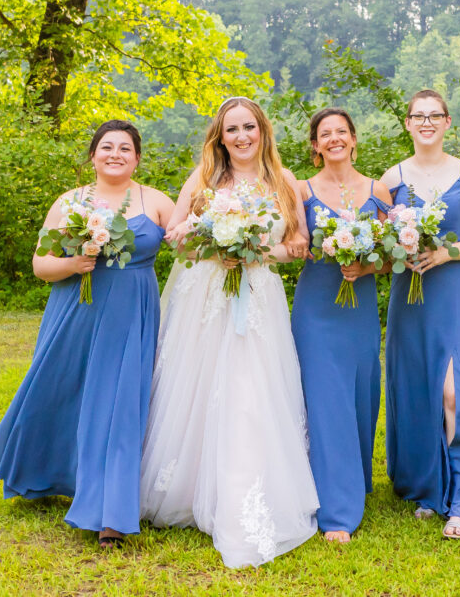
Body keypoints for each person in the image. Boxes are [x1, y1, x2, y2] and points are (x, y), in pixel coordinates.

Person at [0, 120, 175, 548]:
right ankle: (47, 475)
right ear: (93, 155)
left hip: (130, 314)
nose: (115, 154)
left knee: (118, 405)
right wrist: (73, 264)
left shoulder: (157, 202)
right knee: (61, 394)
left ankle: (110, 514)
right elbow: (40, 265)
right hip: (76, 309)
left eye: (125, 148)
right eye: (107, 147)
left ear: (138, 157)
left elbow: (189, 244)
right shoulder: (70, 202)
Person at [139, 96, 318, 568]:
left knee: (250, 390)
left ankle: (243, 492)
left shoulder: (285, 183)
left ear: (263, 131)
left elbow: (299, 244)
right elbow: (173, 235)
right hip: (207, 298)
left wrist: (259, 251)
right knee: (198, 387)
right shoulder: (203, 181)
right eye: (231, 129)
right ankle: (189, 487)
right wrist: (211, 242)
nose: (241, 137)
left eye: (249, 128)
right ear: (220, 136)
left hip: (258, 298)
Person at [379, 90, 460, 539]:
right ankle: (430, 489)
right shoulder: (391, 178)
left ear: (448, 122)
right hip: (411, 295)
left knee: (457, 391)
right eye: (419, 115)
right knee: (419, 389)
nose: (427, 122)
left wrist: (446, 252)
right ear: (408, 123)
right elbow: (378, 242)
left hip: (457, 292)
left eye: (436, 115)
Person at [290, 108, 392, 544]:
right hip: (316, 308)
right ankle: (337, 511)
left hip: (359, 307)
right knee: (325, 400)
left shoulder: (379, 189)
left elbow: (394, 255)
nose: (333, 139)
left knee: (360, 395)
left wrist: (366, 268)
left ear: (353, 139)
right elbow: (294, 240)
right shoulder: (301, 189)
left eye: (341, 132)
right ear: (315, 145)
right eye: (324, 134)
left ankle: (353, 478)